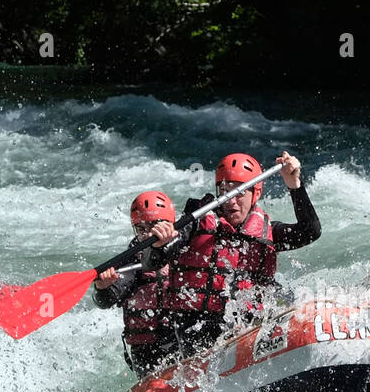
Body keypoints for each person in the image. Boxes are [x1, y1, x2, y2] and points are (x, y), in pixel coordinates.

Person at [147, 151, 320, 360]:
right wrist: (158, 245)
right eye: (225, 191)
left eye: (240, 193)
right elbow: (151, 263)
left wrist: (294, 185)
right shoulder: (193, 225)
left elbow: (310, 231)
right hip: (199, 332)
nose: (231, 201)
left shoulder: (267, 233)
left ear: (256, 193)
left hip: (247, 328)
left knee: (287, 299)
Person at [92, 190, 180, 373]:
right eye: (141, 229)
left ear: (170, 224)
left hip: (183, 338)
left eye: (154, 226)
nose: (148, 234)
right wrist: (102, 287)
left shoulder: (186, 250)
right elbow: (105, 300)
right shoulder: (130, 262)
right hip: (149, 354)